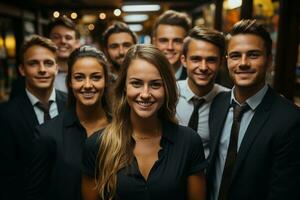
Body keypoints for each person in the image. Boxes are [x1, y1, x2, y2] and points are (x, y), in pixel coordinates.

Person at [81, 44, 207, 200]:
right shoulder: (98, 144)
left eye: (155, 84)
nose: (145, 94)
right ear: (124, 87)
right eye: (136, 83)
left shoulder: (189, 141)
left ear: (166, 89)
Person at [207, 19, 300, 200]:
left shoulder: (290, 121)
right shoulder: (217, 103)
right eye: (235, 55)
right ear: (227, 60)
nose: (243, 63)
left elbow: (284, 193)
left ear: (269, 60)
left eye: (253, 55)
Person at [26, 45, 111, 200]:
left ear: (106, 81)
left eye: (96, 77)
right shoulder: (48, 134)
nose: (87, 85)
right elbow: (36, 194)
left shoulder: (123, 126)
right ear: (70, 82)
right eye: (79, 77)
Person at [0, 35, 67, 200]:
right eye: (33, 63)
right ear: (22, 70)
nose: (42, 69)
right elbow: (5, 175)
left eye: (48, 63)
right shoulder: (5, 116)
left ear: (56, 68)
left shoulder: (72, 106)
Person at [177, 26, 229, 159]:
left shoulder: (230, 100)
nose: (203, 67)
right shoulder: (168, 94)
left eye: (211, 60)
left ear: (221, 62)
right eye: (196, 59)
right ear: (184, 60)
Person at [152, 10, 191, 80]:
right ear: (154, 42)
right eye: (164, 41)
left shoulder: (196, 77)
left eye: (177, 41)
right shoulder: (144, 74)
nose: (170, 47)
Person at [48, 15, 80, 92]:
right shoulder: (39, 75)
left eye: (68, 38)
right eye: (56, 37)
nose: (63, 41)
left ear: (77, 43)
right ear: (48, 41)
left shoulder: (86, 73)